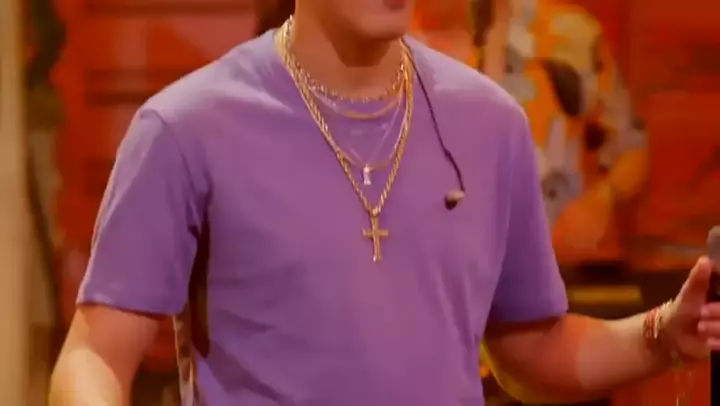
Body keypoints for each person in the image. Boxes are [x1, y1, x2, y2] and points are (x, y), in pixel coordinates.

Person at [49, 0, 718, 405]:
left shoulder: (490, 125)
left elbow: (530, 348)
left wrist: (662, 334)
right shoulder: (186, 129)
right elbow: (96, 355)